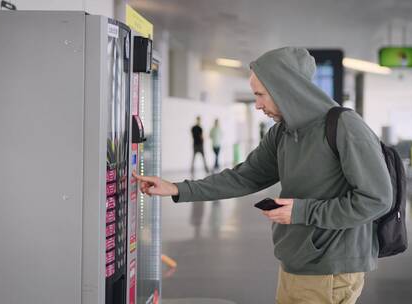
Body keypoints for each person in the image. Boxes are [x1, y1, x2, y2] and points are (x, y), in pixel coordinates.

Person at [134, 47, 391, 304]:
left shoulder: (345, 126)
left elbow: (376, 200)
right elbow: (245, 176)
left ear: (286, 89)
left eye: (260, 95)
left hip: (331, 268)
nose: (257, 105)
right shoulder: (282, 133)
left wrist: (301, 211)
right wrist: (177, 189)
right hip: (296, 261)